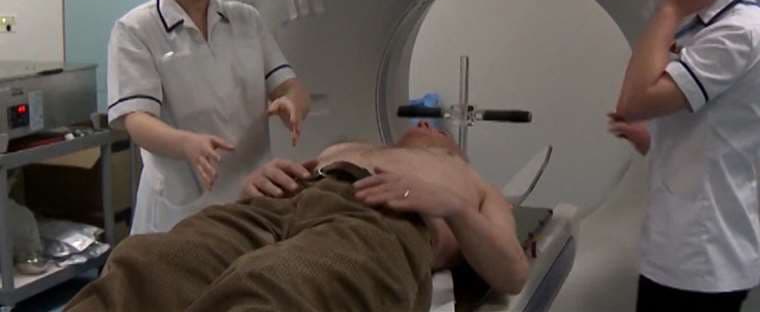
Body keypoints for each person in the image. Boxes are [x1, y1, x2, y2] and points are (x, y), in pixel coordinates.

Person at [64, 123, 529, 312]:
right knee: (152, 262)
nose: (425, 124)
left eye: (436, 126)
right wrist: (259, 182)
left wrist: (451, 205)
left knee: (282, 283)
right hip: (279, 204)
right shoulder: (355, 144)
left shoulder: (471, 182)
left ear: (456, 148)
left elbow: (512, 272)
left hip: (383, 219)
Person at [107, 0, 310, 234]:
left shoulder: (246, 19)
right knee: (181, 268)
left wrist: (293, 103)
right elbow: (136, 120)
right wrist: (186, 143)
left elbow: (291, 87)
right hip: (181, 206)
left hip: (252, 194)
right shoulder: (136, 29)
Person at [609, 0, 760, 311]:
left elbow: (633, 101)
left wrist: (669, 10)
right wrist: (653, 139)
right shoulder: (712, 27)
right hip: (683, 251)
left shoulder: (738, 33)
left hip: (702, 257)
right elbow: (719, 133)